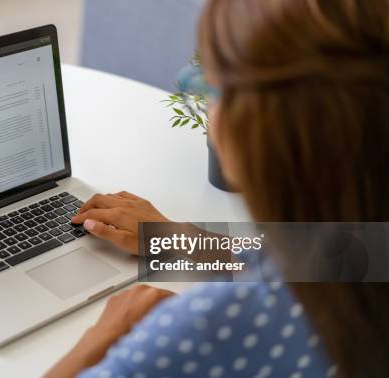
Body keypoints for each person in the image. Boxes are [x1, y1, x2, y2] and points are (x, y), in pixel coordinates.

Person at [45, 0, 389, 377]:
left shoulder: (212, 325)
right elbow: (331, 254)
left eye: (211, 84)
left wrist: (101, 335)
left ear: (253, 129)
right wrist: (177, 238)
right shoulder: (367, 249)